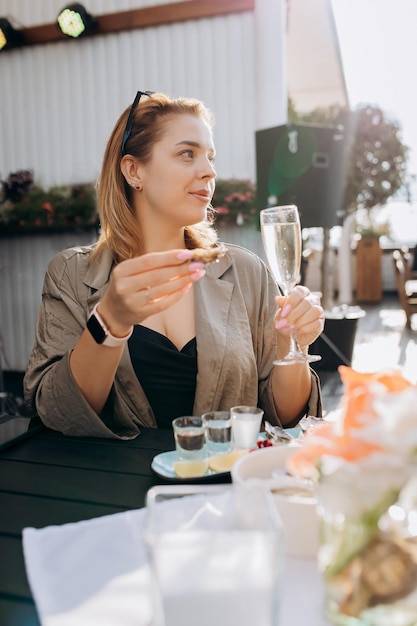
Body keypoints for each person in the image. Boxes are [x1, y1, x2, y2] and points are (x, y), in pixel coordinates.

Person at [23, 90, 324, 439]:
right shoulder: (70, 275)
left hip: (222, 490)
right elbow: (56, 412)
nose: (209, 171)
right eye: (187, 154)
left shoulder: (246, 271)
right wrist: (110, 323)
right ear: (134, 170)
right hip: (114, 489)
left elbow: (285, 418)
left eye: (210, 157)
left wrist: (293, 346)